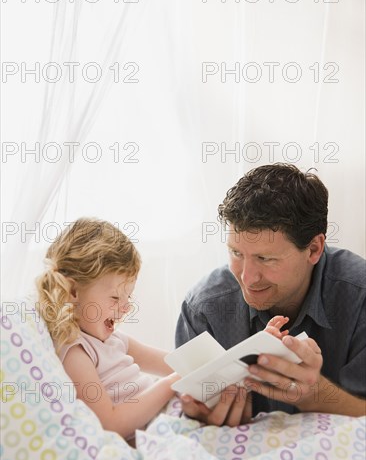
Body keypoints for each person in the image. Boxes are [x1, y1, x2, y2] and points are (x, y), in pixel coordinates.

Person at [176, 163, 366, 425]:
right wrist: (198, 419)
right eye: (236, 253)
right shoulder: (203, 309)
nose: (247, 277)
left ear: (313, 249)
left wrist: (315, 395)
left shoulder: (359, 297)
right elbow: (186, 419)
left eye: (265, 258)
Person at [37, 218, 179, 440]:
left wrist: (206, 368)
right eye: (115, 297)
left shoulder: (115, 340)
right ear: (73, 291)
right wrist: (170, 385)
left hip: (167, 417)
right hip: (150, 435)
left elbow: (174, 363)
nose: (127, 306)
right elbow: (110, 424)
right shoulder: (76, 351)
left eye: (128, 296)